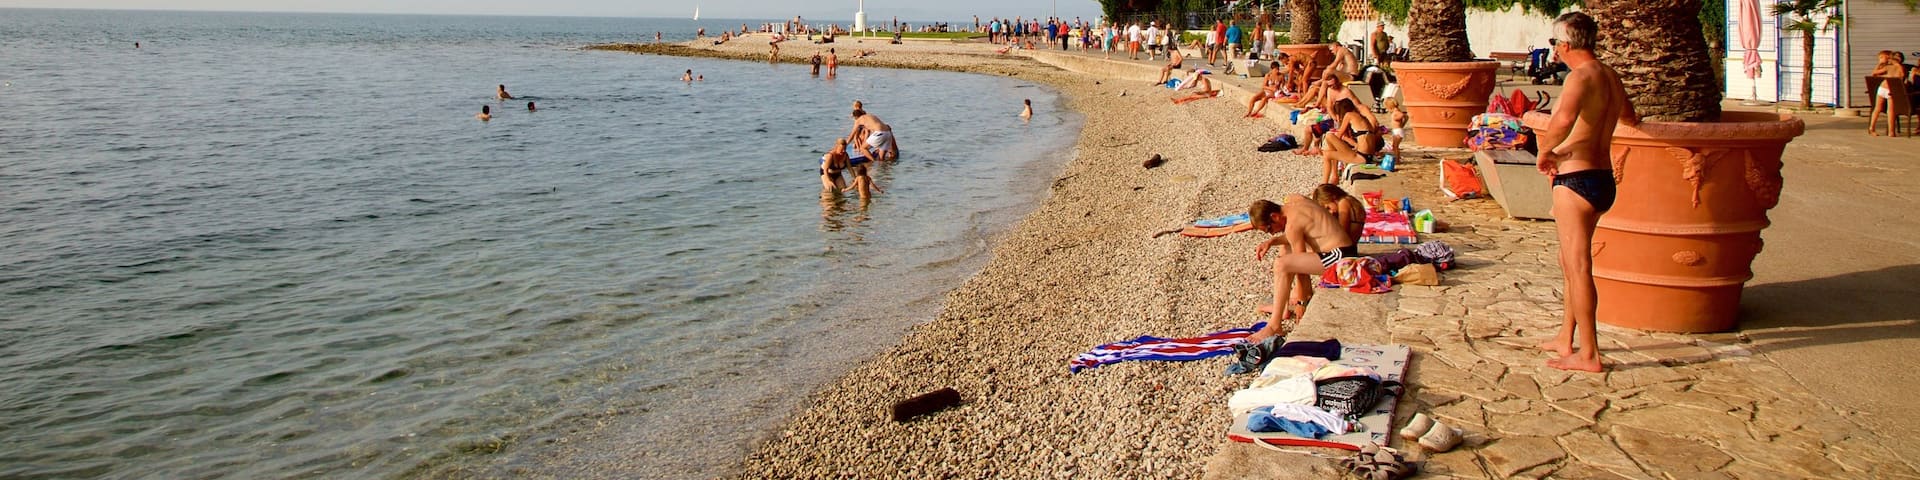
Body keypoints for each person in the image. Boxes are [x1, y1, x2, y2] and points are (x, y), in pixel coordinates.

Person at [1533, 12, 1640, 373]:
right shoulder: (1610, 75)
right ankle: (1567, 338)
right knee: (1570, 263)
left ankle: (1590, 353)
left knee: (1578, 266)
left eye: (1555, 45)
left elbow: (1562, 120)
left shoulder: (1580, 78)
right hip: (1603, 176)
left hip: (1575, 179)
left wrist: (1546, 152)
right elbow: (1629, 116)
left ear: (1564, 45)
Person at [1245, 195, 1357, 344]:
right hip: (1342, 251)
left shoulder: (1292, 225)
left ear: (1275, 216)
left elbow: (1300, 269)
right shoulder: (1296, 202)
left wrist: (1301, 302)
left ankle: (1274, 325)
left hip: (1341, 258)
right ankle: (1282, 310)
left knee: (1282, 264)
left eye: (1269, 229)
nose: (1272, 233)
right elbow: (1294, 237)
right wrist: (1272, 242)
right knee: (1285, 248)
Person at [1321, 98, 1384, 185]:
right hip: (1368, 156)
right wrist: (1350, 141)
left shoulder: (1349, 115)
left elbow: (1339, 135)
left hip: (1361, 158)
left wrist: (1340, 122)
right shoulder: (1361, 117)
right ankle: (1334, 177)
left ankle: (1325, 184)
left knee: (1327, 151)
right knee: (1330, 138)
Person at [1867, 50, 1903, 136]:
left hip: (1887, 89)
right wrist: (1880, 64)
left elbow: (1900, 76)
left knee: (1888, 110)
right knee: (1883, 109)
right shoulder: (1891, 67)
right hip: (1887, 89)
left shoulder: (1894, 67)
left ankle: (1889, 131)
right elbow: (1874, 73)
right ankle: (1875, 128)